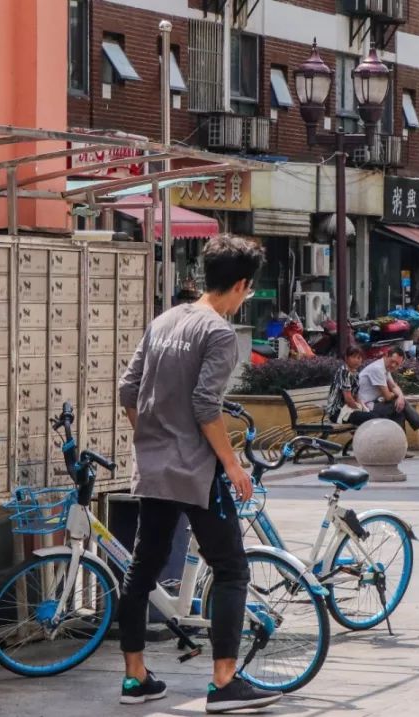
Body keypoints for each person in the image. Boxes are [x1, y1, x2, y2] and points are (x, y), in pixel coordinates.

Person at [117, 235, 282, 713]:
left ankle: (135, 678)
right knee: (231, 569)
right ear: (242, 285)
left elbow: (129, 391)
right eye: (248, 291)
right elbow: (206, 406)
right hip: (195, 473)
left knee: (142, 569)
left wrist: (154, 438)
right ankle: (225, 683)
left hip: (153, 469)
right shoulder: (218, 333)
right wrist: (232, 465)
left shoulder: (164, 320)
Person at [358, 346, 419, 439]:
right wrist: (397, 397)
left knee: (399, 408)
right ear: (386, 356)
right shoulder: (377, 369)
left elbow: (393, 386)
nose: (393, 365)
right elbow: (388, 396)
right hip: (365, 408)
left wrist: (400, 396)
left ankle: (401, 448)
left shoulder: (385, 368)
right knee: (399, 405)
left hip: (374, 404)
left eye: (397, 364)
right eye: (392, 361)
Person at [327, 346, 373, 426]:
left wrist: (363, 409)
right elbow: (348, 399)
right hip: (337, 412)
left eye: (359, 358)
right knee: (370, 417)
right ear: (346, 358)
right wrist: (359, 409)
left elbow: (356, 396)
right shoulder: (344, 372)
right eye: (353, 357)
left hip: (349, 409)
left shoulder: (355, 374)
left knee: (373, 415)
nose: (356, 360)